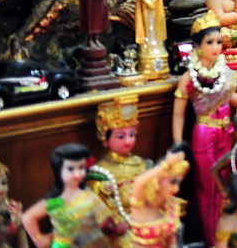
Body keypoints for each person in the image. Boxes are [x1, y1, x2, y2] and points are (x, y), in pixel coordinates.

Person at [172, 11, 237, 245]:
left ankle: (225, 235)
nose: (216, 47)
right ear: (198, 46)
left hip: (226, 133)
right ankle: (211, 238)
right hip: (204, 134)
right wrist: (178, 145)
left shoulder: (224, 72)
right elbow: (178, 114)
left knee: (225, 184)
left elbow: (229, 96)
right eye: (210, 42)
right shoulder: (190, 77)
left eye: (218, 42)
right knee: (207, 188)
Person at [23, 143, 118, 248]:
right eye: (71, 169)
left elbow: (103, 222)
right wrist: (39, 239)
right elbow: (28, 217)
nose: (77, 174)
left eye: (81, 168)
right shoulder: (57, 200)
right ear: (59, 170)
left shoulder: (89, 196)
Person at [87, 96, 149, 247]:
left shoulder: (140, 163)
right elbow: (98, 207)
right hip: (121, 230)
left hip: (145, 219)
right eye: (121, 136)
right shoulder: (100, 172)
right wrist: (115, 223)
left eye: (132, 134)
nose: (128, 140)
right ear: (105, 139)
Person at [129, 146, 189, 247]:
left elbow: (172, 240)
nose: (176, 189)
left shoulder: (172, 204)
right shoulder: (142, 204)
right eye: (173, 182)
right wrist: (166, 164)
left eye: (179, 183)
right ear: (158, 179)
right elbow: (138, 182)